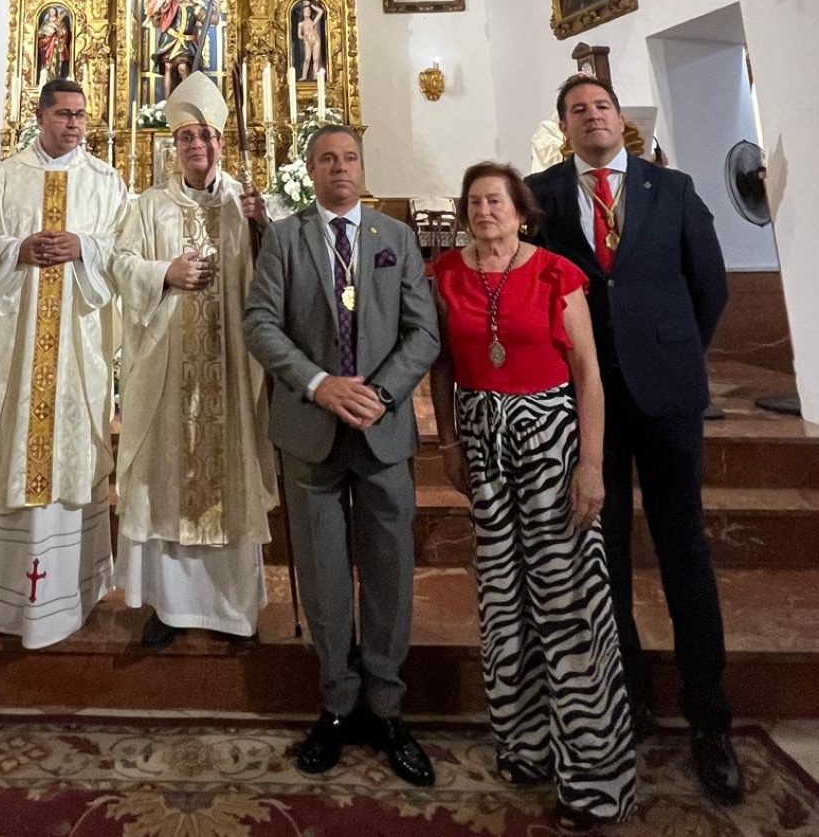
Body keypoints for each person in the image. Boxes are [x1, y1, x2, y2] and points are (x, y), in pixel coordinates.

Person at [527, 75, 742, 806]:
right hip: (586, 402)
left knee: (685, 550)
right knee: (603, 551)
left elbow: (709, 286)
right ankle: (630, 699)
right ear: (563, 125)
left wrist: (673, 349)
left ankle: (709, 718)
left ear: (621, 119)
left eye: (602, 106)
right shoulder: (541, 194)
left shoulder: (672, 188)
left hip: (669, 395)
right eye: (577, 108)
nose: (592, 116)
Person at [429, 163, 636, 833]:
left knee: (568, 596)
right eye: (475, 201)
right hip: (484, 446)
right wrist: (449, 442)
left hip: (548, 438)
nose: (484, 209)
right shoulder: (446, 275)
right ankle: (525, 744)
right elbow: (441, 367)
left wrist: (593, 465)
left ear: (521, 211)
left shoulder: (554, 272)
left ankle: (595, 776)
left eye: (497, 200)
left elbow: (589, 375)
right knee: (502, 596)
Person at [243, 127, 440, 783]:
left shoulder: (395, 237)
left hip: (381, 431)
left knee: (389, 570)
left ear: (363, 164)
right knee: (324, 574)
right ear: (311, 170)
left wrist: (380, 393)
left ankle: (386, 705)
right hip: (310, 429)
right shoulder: (285, 237)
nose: (340, 167)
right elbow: (260, 321)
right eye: (326, 158)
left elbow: (424, 329)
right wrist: (320, 383)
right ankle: (335, 702)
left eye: (350, 156)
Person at [0, 79, 128, 646]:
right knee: (13, 441)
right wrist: (14, 248)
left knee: (71, 452)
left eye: (81, 116)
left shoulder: (106, 181)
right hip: (16, 350)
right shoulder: (6, 176)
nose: (74, 124)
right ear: (40, 116)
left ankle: (70, 589)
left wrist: (84, 249)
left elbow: (125, 250)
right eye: (64, 114)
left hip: (76, 350)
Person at [112, 71, 276, 647]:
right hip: (167, 369)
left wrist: (263, 227)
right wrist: (165, 273)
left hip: (229, 370)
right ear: (173, 147)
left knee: (228, 473)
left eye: (205, 137)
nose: (196, 147)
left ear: (220, 144)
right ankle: (171, 607)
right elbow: (120, 264)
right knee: (167, 477)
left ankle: (232, 609)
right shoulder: (150, 204)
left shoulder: (245, 203)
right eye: (185, 139)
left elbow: (274, 274)